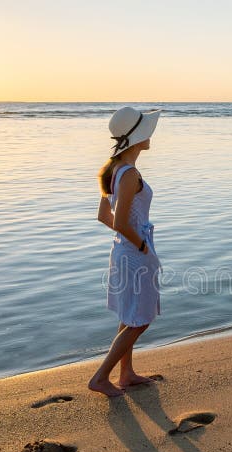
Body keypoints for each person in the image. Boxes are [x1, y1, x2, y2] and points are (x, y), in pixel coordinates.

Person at [89, 106, 162, 397]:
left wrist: (131, 239)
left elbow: (103, 217)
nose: (151, 136)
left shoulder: (113, 170)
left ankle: (126, 373)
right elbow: (118, 221)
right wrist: (142, 244)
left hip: (122, 251)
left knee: (129, 316)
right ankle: (100, 377)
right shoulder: (129, 174)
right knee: (140, 320)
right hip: (134, 253)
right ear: (137, 138)